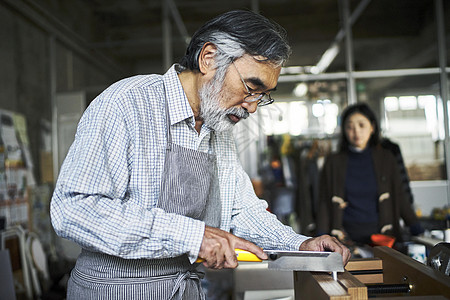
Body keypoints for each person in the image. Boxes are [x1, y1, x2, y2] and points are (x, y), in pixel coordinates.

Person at [50, 10, 350, 299]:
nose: (252, 106)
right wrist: (194, 236)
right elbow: (74, 209)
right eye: (250, 87)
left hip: (185, 289)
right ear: (208, 58)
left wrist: (299, 245)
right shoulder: (127, 104)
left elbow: (239, 211)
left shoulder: (217, 128)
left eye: (262, 95)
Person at [317, 103, 423, 248]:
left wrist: (414, 225)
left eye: (362, 125)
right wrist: (321, 233)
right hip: (345, 238)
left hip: (382, 237)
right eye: (349, 127)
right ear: (344, 131)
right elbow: (324, 200)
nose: (356, 132)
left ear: (372, 127)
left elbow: (399, 194)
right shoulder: (333, 161)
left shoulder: (386, 158)